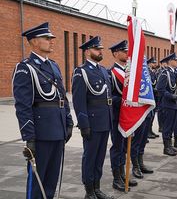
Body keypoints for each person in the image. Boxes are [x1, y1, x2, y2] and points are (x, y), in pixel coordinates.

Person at [12, 22, 73, 199]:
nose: (51, 41)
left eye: (51, 38)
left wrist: (68, 122)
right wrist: (29, 137)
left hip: (58, 130)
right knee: (37, 181)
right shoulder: (25, 68)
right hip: (41, 133)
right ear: (34, 42)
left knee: (51, 181)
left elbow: (62, 97)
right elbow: (23, 106)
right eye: (47, 38)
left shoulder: (54, 66)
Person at [72, 36, 114, 199]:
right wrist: (84, 124)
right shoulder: (81, 72)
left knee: (100, 157)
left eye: (101, 49)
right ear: (88, 51)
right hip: (92, 121)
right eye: (97, 49)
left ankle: (97, 188)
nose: (100, 51)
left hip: (105, 121)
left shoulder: (103, 70)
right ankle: (89, 190)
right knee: (90, 157)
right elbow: (78, 101)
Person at [108, 40, 137, 192]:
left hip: (128, 116)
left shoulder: (129, 72)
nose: (127, 54)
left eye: (127, 51)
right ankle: (116, 177)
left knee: (126, 147)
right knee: (117, 147)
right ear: (115, 54)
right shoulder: (111, 73)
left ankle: (123, 174)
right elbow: (109, 97)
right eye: (124, 51)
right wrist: (124, 100)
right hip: (117, 116)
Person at [156, 53, 177, 156]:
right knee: (167, 127)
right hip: (167, 104)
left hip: (174, 104)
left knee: (172, 126)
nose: (176, 62)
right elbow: (160, 89)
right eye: (175, 60)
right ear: (170, 61)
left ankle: (170, 145)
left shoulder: (174, 73)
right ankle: (166, 147)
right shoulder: (165, 73)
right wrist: (171, 96)